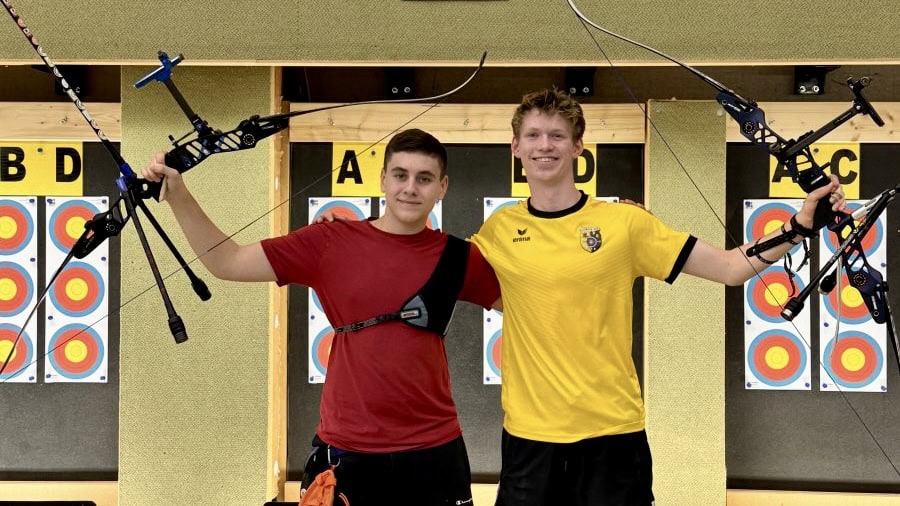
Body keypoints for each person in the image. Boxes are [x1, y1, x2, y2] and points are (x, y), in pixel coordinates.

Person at [469, 88, 847, 506]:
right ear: (516, 147)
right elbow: (453, 277)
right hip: (530, 436)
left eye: (557, 135)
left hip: (612, 433)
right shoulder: (497, 230)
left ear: (578, 147)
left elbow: (729, 268)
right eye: (534, 135)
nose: (545, 146)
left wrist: (799, 226)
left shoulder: (625, 223)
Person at [142, 128, 500, 506]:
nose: (410, 188)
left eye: (424, 178)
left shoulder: (460, 258)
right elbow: (227, 261)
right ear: (383, 179)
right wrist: (178, 195)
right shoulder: (331, 240)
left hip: (434, 452)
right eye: (400, 175)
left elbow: (531, 306)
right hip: (350, 452)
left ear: (442, 187)